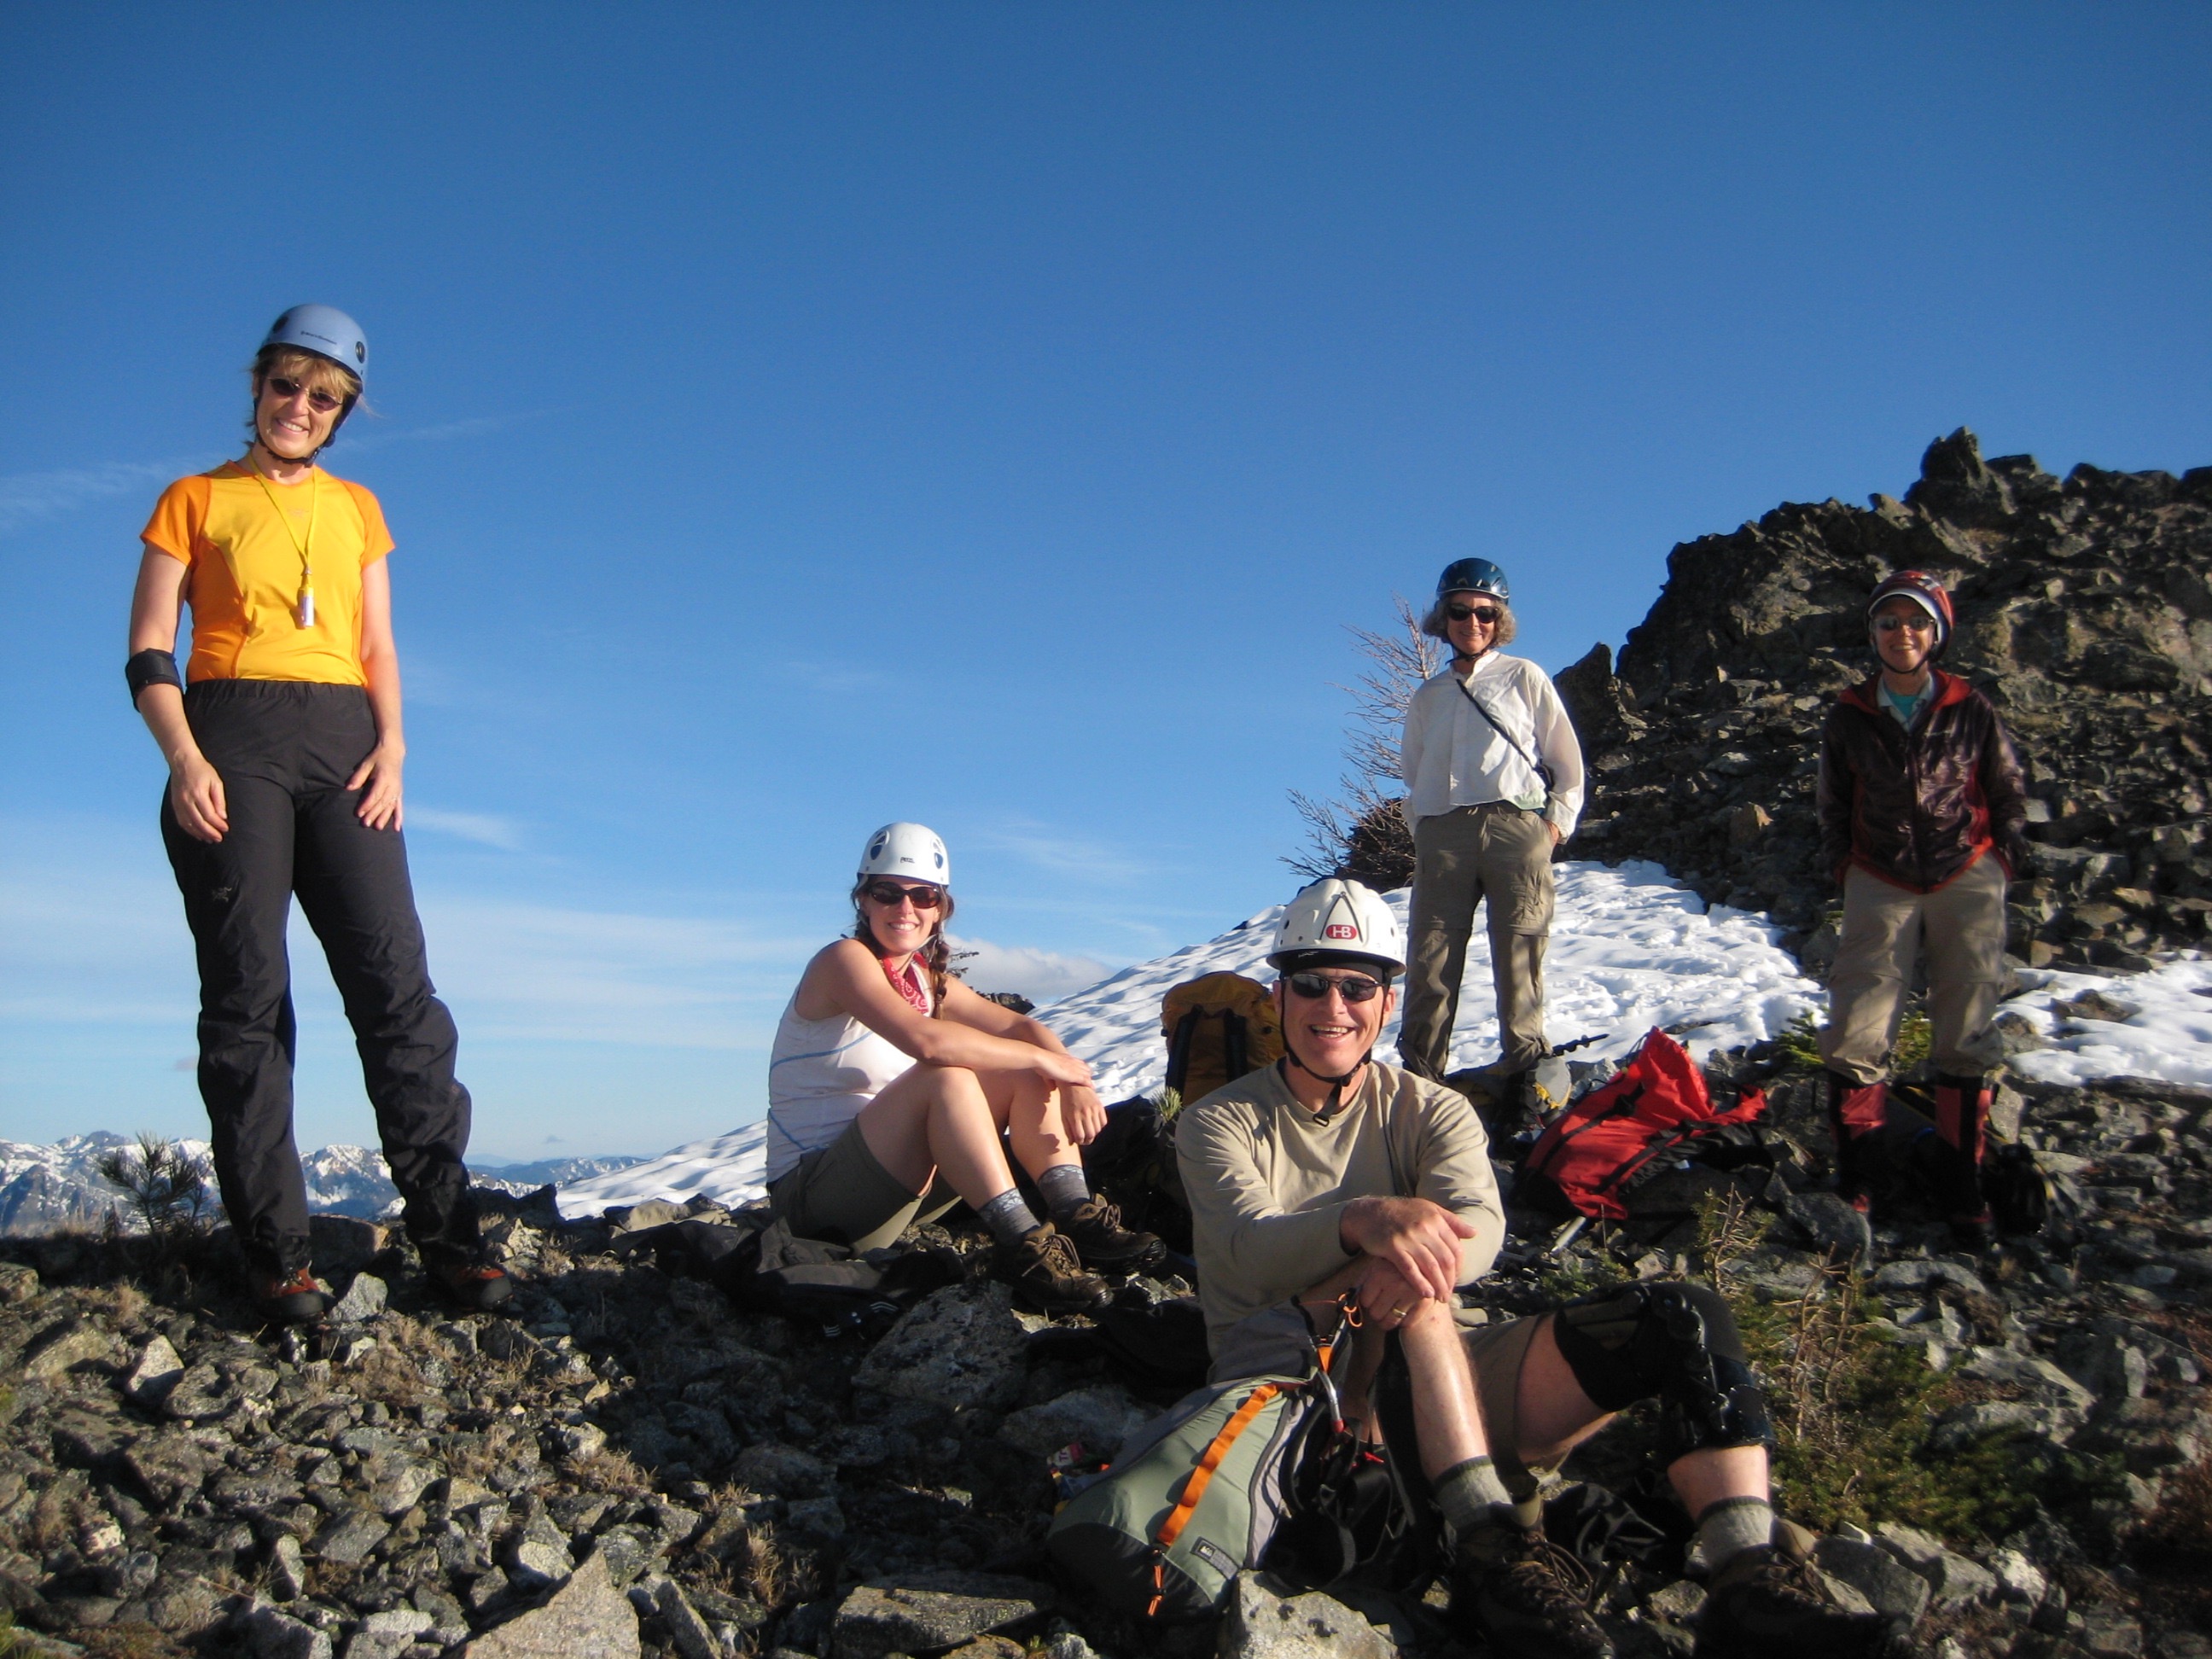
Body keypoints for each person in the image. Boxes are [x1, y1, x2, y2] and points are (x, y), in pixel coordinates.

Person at [1176, 877, 1912, 1659]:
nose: (1334, 1007)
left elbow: (1481, 1228)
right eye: (1312, 984)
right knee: (1418, 1296)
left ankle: (1751, 1582)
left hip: (1438, 1380)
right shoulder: (1217, 1121)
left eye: (1358, 986)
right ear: (1278, 998)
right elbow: (1248, 1249)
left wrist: (1405, 1256)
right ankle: (1492, 1560)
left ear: (1388, 1003)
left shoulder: (1433, 1110)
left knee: (1681, 1314)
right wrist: (1366, 1221)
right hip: (1293, 1396)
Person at [126, 306, 507, 1323]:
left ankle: (451, 1241)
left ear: (342, 414)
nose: (301, 407)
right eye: (287, 385)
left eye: (324, 396)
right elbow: (150, 650)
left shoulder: (358, 511)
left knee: (397, 989)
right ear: (256, 387)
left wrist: (393, 748)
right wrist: (183, 758)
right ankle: (279, 1257)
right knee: (249, 999)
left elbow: (377, 644)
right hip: (227, 737)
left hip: (347, 750)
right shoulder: (193, 499)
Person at [765, 823, 1161, 1315]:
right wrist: (1046, 1061)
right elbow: (928, 1043)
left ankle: (1078, 1218)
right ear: (863, 901)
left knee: (1020, 1072)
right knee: (949, 1074)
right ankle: (1023, 1249)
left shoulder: (925, 980)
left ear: (940, 909)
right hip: (814, 1202)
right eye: (887, 892)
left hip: (895, 1194)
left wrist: (1070, 1077)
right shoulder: (843, 960)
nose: (905, 908)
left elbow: (1021, 1029)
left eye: (923, 896)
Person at [1816, 571, 2030, 1248]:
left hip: (1966, 871)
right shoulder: (1849, 713)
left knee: (1966, 1033)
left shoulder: (1972, 706)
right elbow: (1831, 803)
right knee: (1858, 1029)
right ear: (1873, 632)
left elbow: (2007, 787)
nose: (1901, 633)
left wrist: (2003, 860)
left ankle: (1961, 1184)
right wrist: (1848, 867)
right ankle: (1861, 1179)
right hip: (1880, 877)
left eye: (1915, 622)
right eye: (1888, 622)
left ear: (1936, 632)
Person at [1397, 558, 1585, 1114]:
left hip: (1516, 827)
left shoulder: (1524, 676)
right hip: (1443, 834)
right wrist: (1425, 828)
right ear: (1443, 617)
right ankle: (1419, 1078)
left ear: (1499, 619)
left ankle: (1526, 1074)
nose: (1471, 621)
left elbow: (1566, 762)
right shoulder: (1428, 696)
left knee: (1520, 950)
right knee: (1430, 955)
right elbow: (1414, 771)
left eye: (1484, 612)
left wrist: (1553, 825)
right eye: (1459, 610)